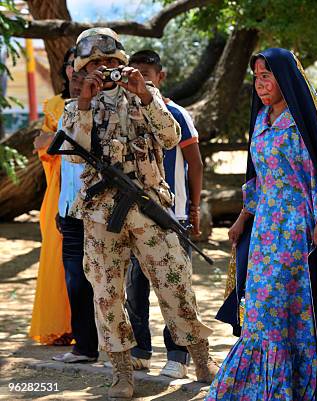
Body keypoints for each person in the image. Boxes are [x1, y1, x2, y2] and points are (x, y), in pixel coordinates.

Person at [62, 27, 216, 399]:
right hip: (101, 214)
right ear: (83, 68)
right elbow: (71, 153)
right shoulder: (76, 106)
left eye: (112, 62)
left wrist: (145, 96)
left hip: (148, 208)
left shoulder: (146, 96)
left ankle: (200, 355)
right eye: (97, 63)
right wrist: (84, 102)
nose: (106, 69)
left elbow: (169, 137)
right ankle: (121, 371)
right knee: (107, 294)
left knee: (175, 283)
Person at [206, 48, 317, 401]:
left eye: (267, 75)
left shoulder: (304, 121)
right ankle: (259, 385)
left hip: (297, 228)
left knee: (283, 307)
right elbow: (258, 177)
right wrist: (242, 217)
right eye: (256, 76)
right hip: (265, 228)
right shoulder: (261, 120)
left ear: (285, 77)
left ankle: (289, 386)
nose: (260, 84)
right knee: (259, 306)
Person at [121, 49, 204, 378]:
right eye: (134, 73)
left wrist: (194, 208)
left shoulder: (176, 114)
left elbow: (195, 163)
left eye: (147, 74)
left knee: (175, 288)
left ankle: (178, 356)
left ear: (160, 77)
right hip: (133, 216)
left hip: (173, 216)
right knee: (135, 287)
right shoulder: (123, 114)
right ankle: (141, 350)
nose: (140, 79)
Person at [52, 68, 101, 364]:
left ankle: (129, 350)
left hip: (99, 211)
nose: (78, 87)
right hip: (69, 211)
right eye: (74, 81)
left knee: (107, 283)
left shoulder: (103, 113)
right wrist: (61, 205)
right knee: (75, 281)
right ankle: (84, 347)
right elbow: (64, 166)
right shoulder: (67, 114)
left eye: (84, 81)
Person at [29, 47, 75, 346]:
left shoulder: (103, 103)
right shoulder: (55, 104)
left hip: (90, 189)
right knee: (56, 259)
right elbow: (41, 143)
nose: (75, 69)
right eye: (70, 64)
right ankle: (59, 328)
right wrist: (65, 132)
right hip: (58, 191)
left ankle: (89, 330)